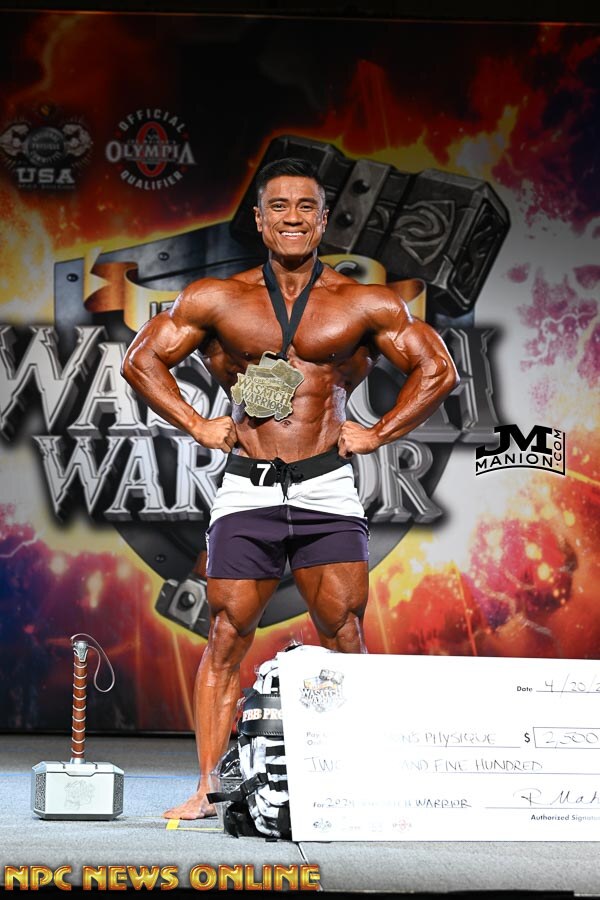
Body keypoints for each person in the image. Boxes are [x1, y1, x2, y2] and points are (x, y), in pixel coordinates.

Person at [121, 157, 459, 819]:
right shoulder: (218, 298)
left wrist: (379, 432)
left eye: (306, 207)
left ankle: (357, 778)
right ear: (259, 219)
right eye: (279, 206)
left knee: (344, 632)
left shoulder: (361, 302)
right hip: (247, 487)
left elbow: (437, 369)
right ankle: (208, 788)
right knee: (225, 634)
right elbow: (141, 359)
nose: (293, 218)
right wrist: (197, 422)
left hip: (325, 485)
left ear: (325, 219)